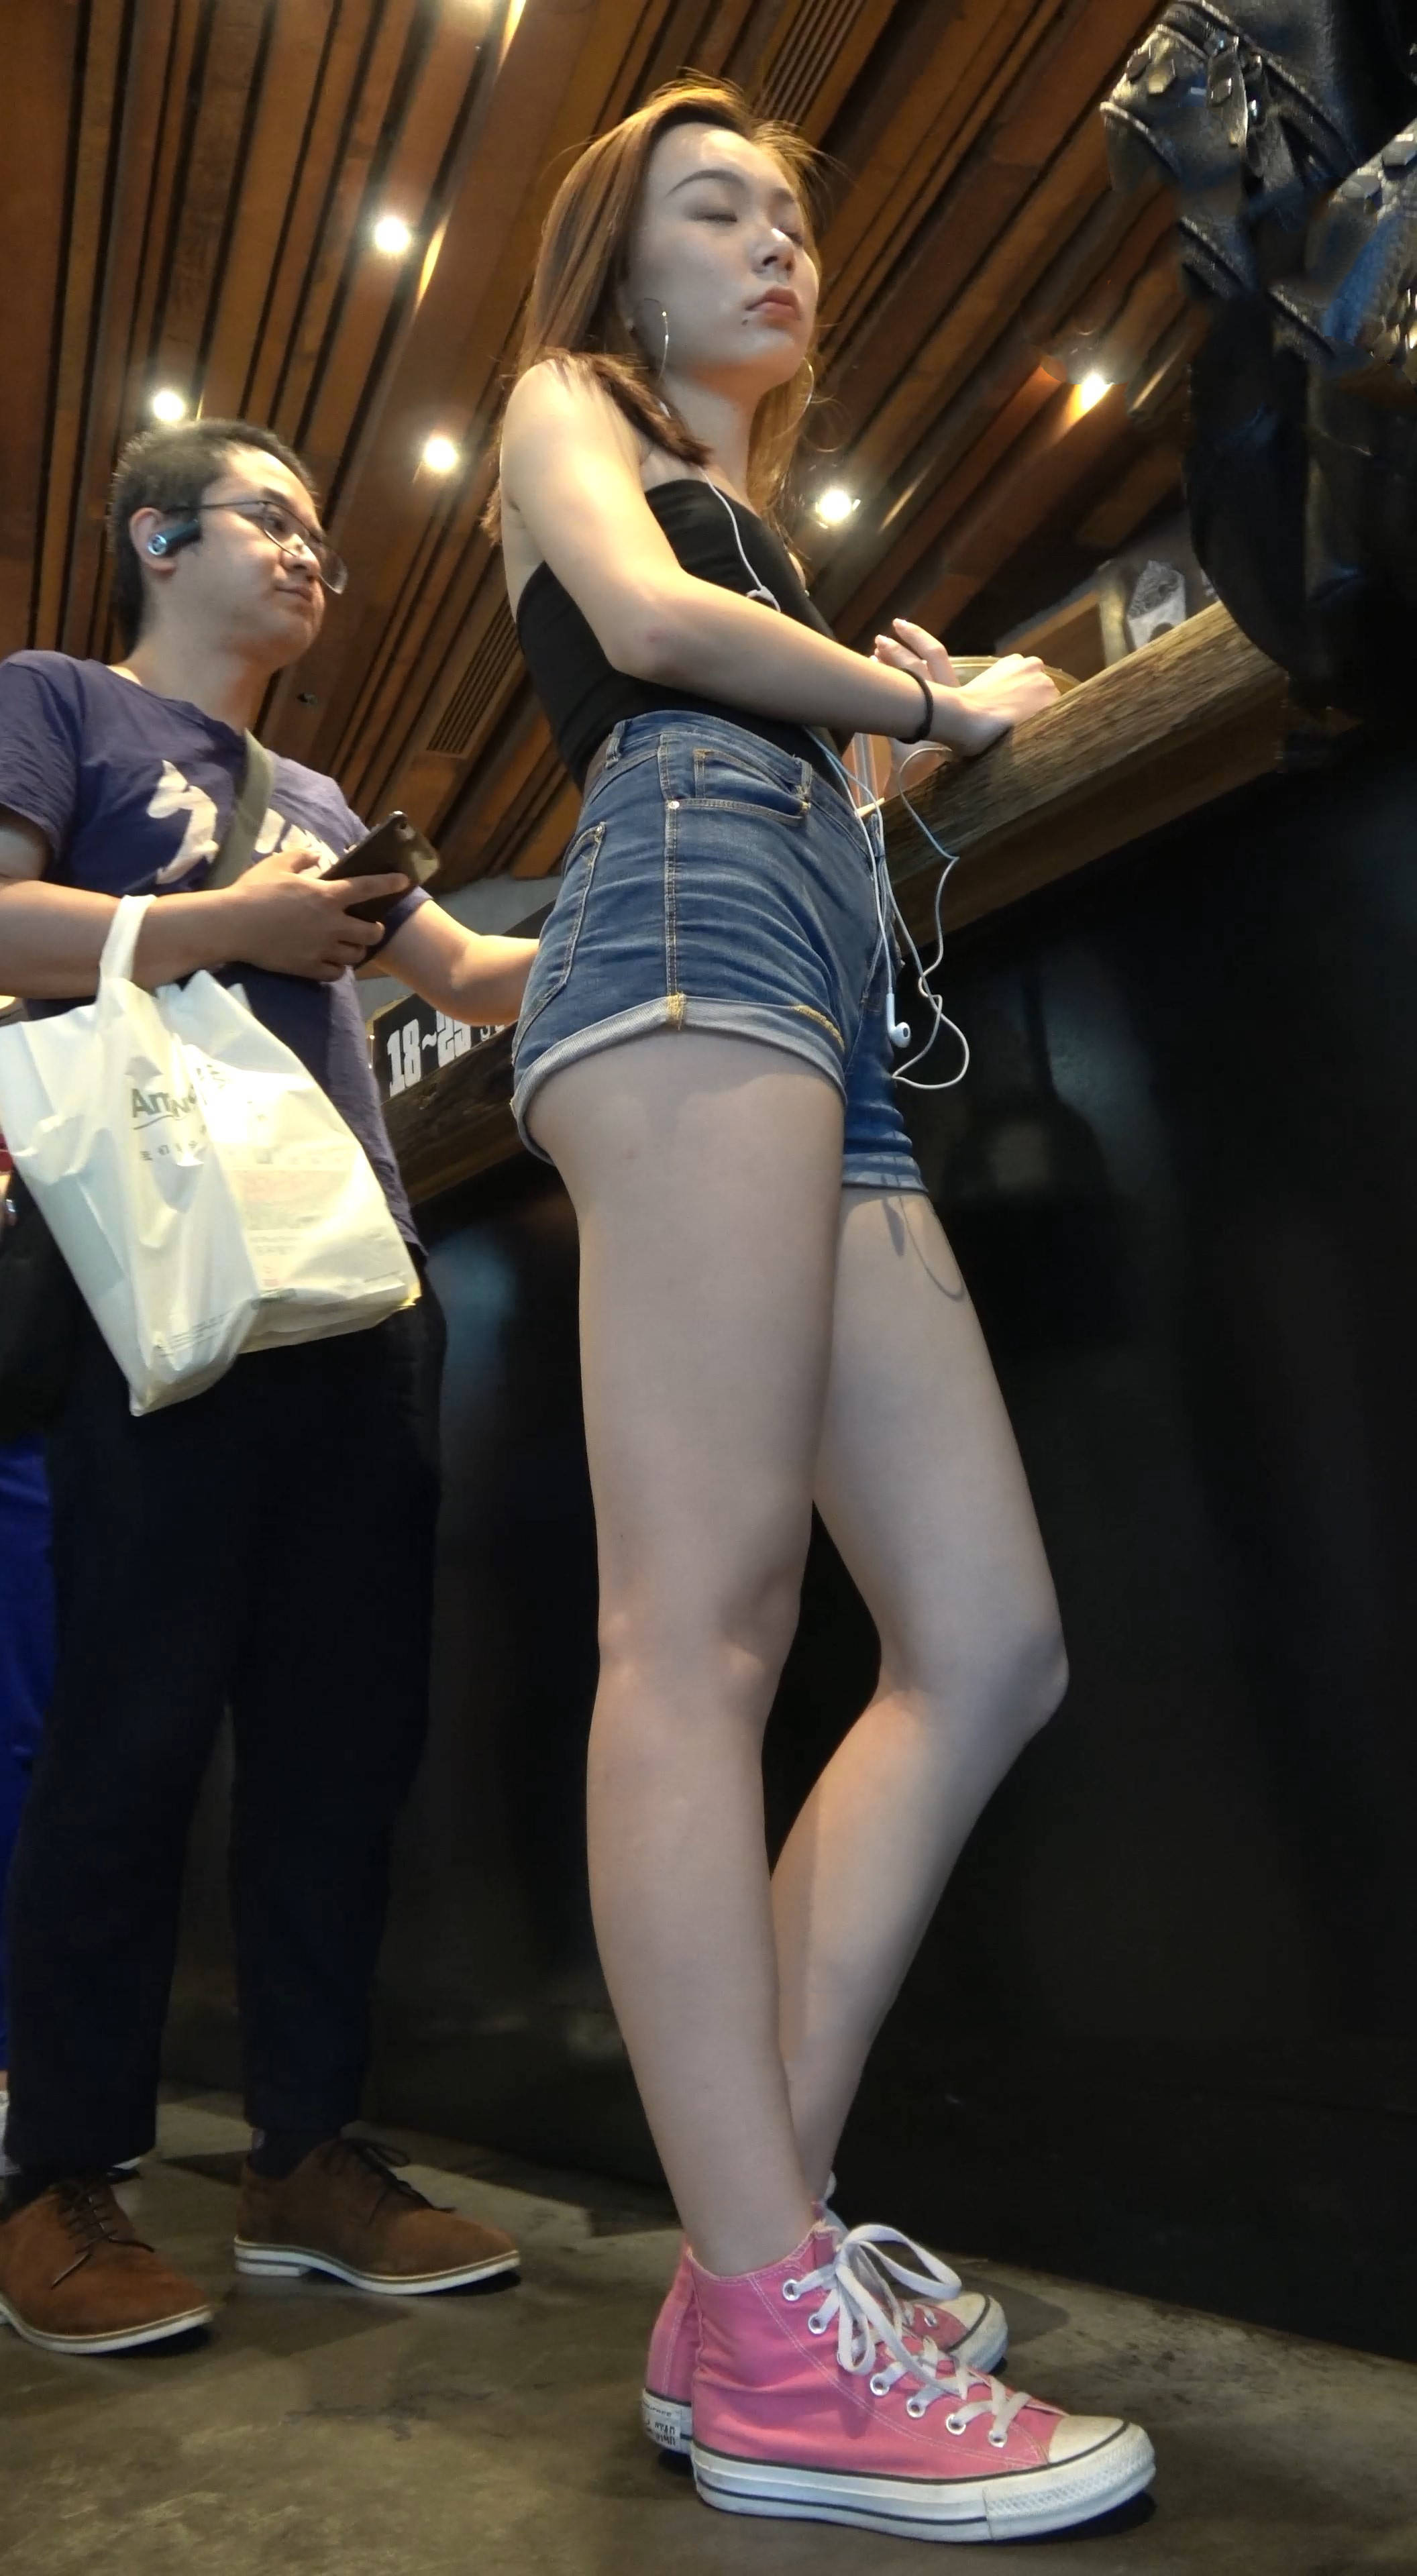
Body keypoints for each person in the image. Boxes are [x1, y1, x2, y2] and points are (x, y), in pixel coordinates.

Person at [492, 78, 1155, 2541]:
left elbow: (790, 731)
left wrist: (889, 747)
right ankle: (781, 2328)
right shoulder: (567, 409)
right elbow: (651, 633)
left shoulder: (772, 532)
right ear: (620, 268)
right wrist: (926, 704)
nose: (778, 242)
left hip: (808, 978)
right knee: (704, 1624)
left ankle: (740, 2270)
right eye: (718, 209)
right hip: (676, 937)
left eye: (789, 214)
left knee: (982, 1636)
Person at [0, 418, 536, 2353]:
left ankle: (306, 2156)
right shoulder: (57, 702)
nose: (310, 555)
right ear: (156, 535)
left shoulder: (317, 789)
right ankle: (56, 2188)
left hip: (356, 1293)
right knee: (126, 1731)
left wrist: (711, 866)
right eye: (269, 518)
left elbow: (467, 978)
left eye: (320, 537)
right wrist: (236, 927)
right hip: (157, 1288)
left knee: (341, 1742)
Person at [0, 998, 52, 2182]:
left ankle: (27, 2060)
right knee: (0, 1734)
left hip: (59, 1399)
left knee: (35, 1735)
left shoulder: (60, 999)